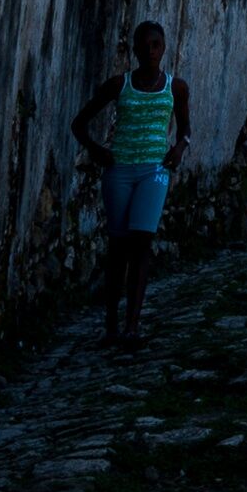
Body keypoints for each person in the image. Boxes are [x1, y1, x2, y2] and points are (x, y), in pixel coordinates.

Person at [71, 22, 188, 348]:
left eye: (155, 45)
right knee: (118, 248)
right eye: (144, 46)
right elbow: (78, 124)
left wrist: (178, 149)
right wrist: (97, 151)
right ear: (134, 51)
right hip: (119, 170)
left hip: (155, 171)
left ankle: (132, 326)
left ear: (164, 48)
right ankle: (111, 325)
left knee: (142, 243)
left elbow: (185, 130)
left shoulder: (175, 88)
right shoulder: (118, 85)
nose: (150, 51)